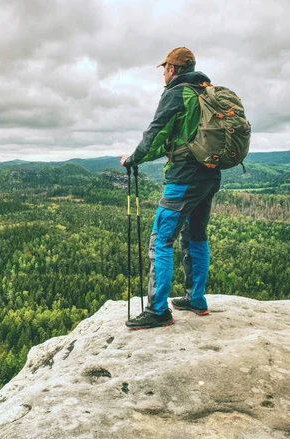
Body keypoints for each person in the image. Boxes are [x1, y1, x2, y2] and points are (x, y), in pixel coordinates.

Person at [121, 47, 221, 329]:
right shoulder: (206, 92)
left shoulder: (177, 93)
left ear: (172, 69)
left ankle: (157, 310)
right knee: (196, 235)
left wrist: (132, 159)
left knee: (160, 241)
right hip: (210, 175)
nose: (163, 74)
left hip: (184, 177)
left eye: (165, 69)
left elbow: (155, 135)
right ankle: (196, 299)